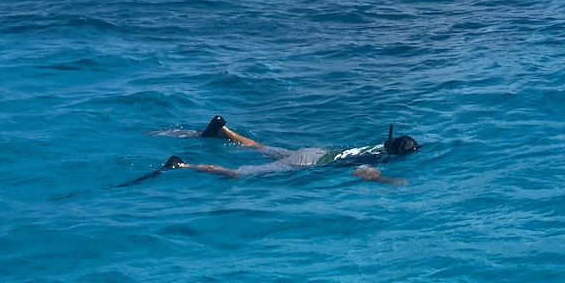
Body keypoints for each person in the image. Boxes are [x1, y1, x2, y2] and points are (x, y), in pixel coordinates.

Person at [157, 116, 420, 179]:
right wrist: (388, 181)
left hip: (314, 152)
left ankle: (222, 130)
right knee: (240, 173)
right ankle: (184, 164)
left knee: (261, 146)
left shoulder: (378, 146)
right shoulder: (374, 159)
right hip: (305, 163)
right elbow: (360, 172)